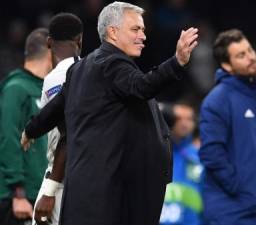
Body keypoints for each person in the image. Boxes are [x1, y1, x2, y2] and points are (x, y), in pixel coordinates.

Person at [21, 2, 198, 225]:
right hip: (112, 194)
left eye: (143, 29)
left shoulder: (82, 68)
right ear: (113, 32)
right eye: (135, 29)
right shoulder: (112, 63)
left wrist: (31, 130)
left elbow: (57, 108)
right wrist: (177, 62)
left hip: (94, 190)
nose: (143, 36)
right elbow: (143, 86)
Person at [199, 29, 256, 225]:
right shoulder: (217, 100)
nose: (251, 58)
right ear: (227, 65)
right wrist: (241, 188)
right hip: (232, 213)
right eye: (241, 55)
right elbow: (211, 153)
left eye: (250, 50)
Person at [26, 13, 83, 225]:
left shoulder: (54, 79)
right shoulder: (92, 73)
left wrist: (50, 189)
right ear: (80, 40)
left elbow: (67, 133)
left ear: (49, 42)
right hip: (89, 175)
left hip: (59, 179)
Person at [0, 28, 52, 225]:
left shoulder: (46, 90)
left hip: (40, 193)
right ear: (50, 52)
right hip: (19, 197)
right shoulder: (16, 89)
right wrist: (18, 193)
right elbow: (8, 139)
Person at [160, 103, 203, 225]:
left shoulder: (201, 157)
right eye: (178, 118)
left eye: (189, 119)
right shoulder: (157, 154)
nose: (184, 123)